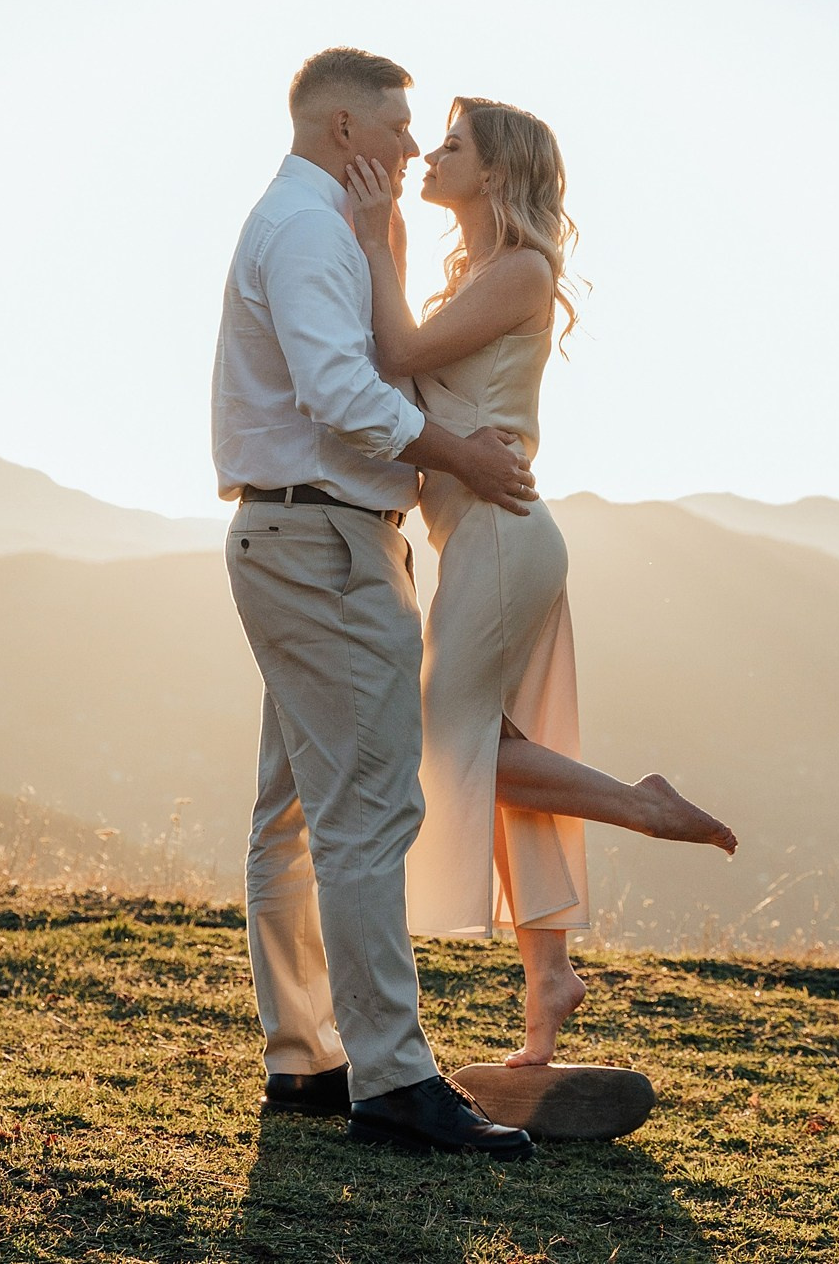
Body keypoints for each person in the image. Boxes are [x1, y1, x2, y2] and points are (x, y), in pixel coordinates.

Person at [342, 95, 738, 1067]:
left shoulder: (522, 270)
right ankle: (550, 975)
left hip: (503, 536)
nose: (430, 154)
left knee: (451, 742)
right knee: (508, 755)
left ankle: (641, 803)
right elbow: (405, 362)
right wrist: (387, 237)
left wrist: (375, 233)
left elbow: (395, 354)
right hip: (484, 537)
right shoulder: (476, 276)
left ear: (496, 170)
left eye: (451, 144)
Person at [212, 47, 539, 1160]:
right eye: (398, 126)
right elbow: (342, 392)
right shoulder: (308, 230)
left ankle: (305, 1058)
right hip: (325, 544)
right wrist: (463, 454)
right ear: (344, 127)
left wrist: (385, 241)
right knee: (365, 809)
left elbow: (365, 367)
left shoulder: (314, 222)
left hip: (297, 535)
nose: (409, 145)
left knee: (295, 812)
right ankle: (393, 1077)